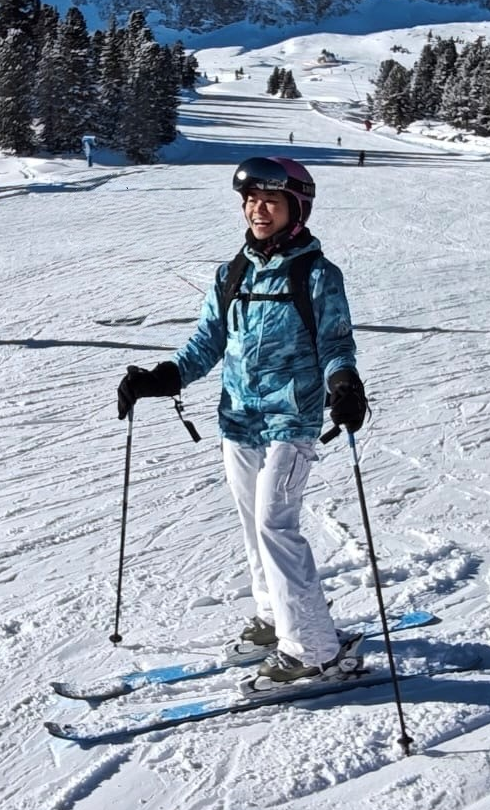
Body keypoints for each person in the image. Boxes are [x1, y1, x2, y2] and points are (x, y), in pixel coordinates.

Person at [116, 157, 368, 684]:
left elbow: (335, 343)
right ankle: (276, 617)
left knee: (276, 524)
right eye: (252, 200)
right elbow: (208, 340)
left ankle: (315, 650)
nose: (258, 209)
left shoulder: (318, 275)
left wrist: (343, 385)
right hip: (239, 419)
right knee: (254, 526)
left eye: (271, 201)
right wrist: (163, 377)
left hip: (291, 419)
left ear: (295, 210)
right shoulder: (233, 271)